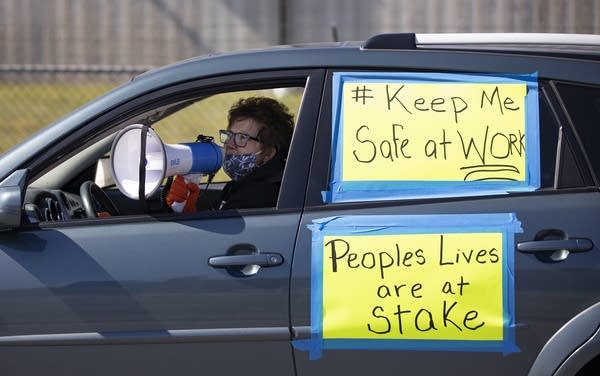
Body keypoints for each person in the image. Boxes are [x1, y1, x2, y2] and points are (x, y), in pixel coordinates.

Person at [166, 96, 294, 211]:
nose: (229, 143)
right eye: (229, 135)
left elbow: (215, 236)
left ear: (268, 154)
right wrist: (188, 210)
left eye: (242, 138)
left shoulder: (258, 196)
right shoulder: (239, 186)